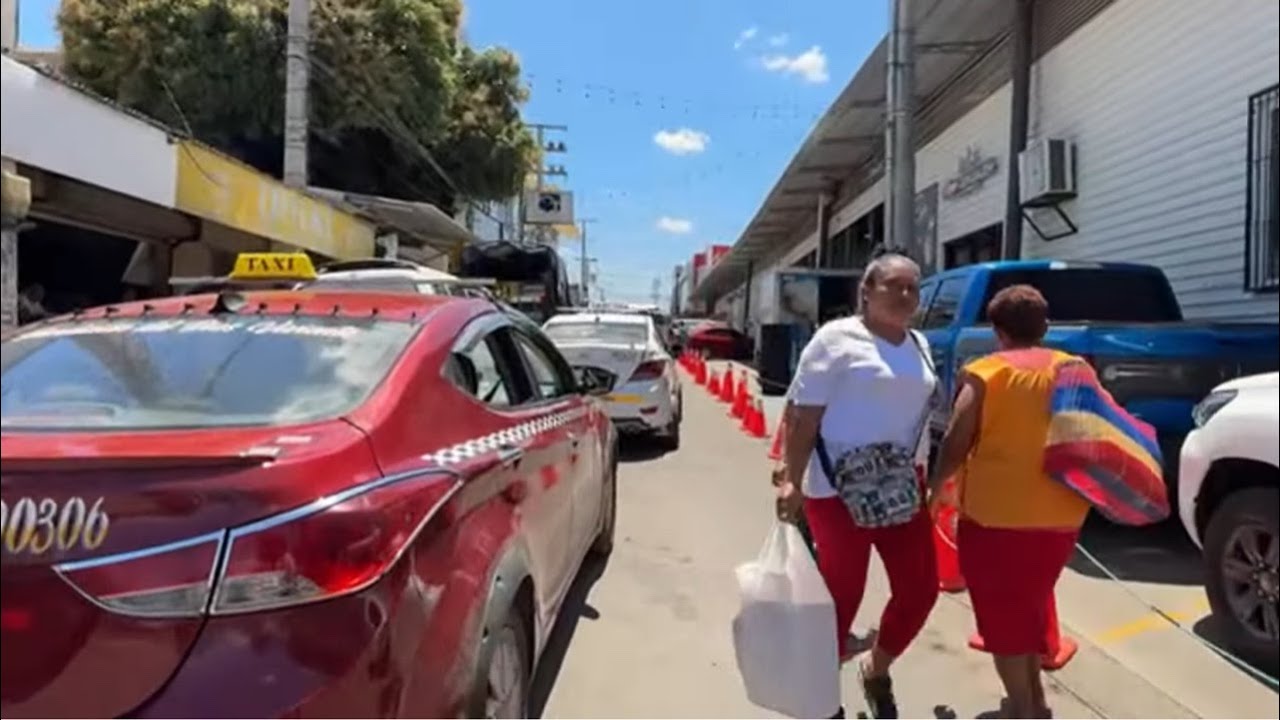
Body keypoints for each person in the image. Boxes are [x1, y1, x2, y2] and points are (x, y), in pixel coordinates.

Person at [775, 252, 940, 720]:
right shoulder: (836, 339)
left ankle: (876, 666)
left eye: (913, 287)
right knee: (841, 597)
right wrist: (792, 479)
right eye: (894, 285)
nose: (906, 294)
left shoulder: (920, 343)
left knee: (920, 590)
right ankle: (822, 700)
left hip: (902, 488)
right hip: (838, 490)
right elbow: (803, 416)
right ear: (866, 291)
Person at [929, 284, 1090, 720]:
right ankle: (1035, 702)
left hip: (996, 517)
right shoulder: (1074, 369)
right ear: (1046, 327)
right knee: (1030, 609)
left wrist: (935, 488)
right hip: (1062, 515)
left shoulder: (987, 373)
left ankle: (1021, 710)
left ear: (997, 331)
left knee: (1002, 622)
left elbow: (956, 439)